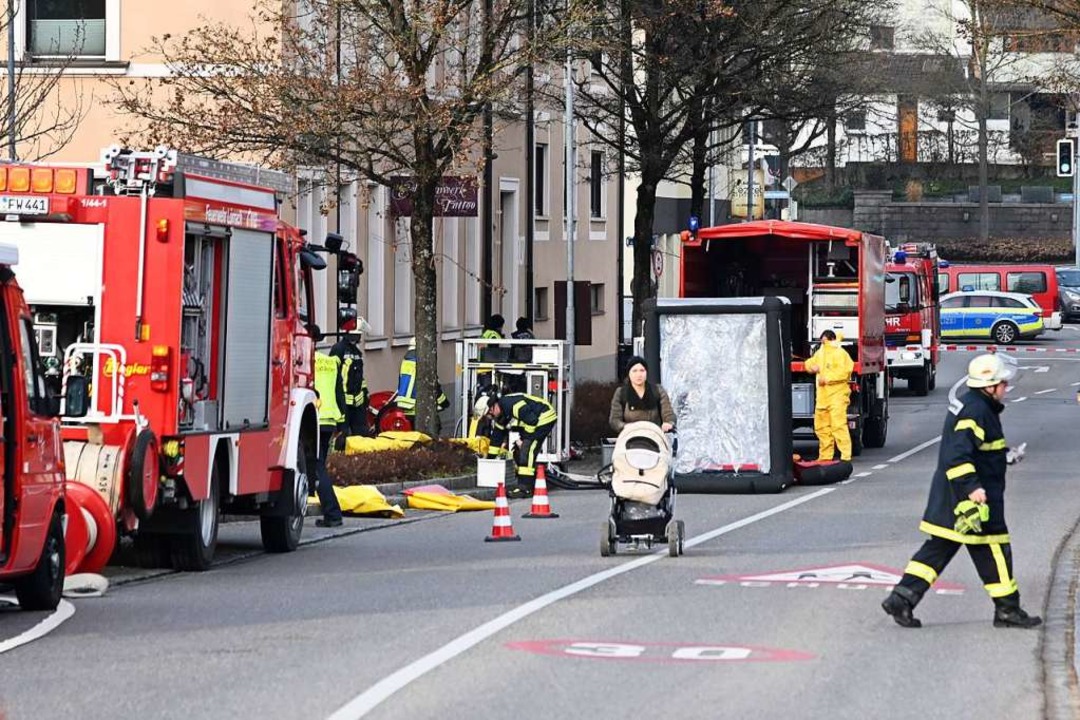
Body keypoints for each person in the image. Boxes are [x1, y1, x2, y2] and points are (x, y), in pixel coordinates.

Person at [881, 353, 1040, 629]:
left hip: (955, 498)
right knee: (995, 549)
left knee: (939, 549)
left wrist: (1005, 456)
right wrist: (973, 488)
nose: (1005, 388)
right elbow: (958, 455)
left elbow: (977, 450)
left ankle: (901, 598)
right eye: (1002, 383)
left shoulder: (976, 406)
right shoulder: (976, 410)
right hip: (970, 500)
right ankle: (1008, 610)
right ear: (989, 386)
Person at [475, 391, 556, 497]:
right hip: (532, 422)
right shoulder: (501, 411)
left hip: (544, 417)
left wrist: (524, 440)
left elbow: (532, 421)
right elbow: (497, 437)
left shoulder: (514, 406)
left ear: (492, 408)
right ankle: (531, 482)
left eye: (490, 415)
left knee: (528, 449)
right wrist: (490, 458)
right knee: (519, 451)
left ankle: (525, 488)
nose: (492, 418)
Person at [803, 329, 854, 462]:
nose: (822, 343)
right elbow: (809, 362)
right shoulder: (821, 353)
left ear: (829, 339)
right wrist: (811, 367)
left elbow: (845, 372)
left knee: (838, 425)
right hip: (823, 398)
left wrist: (827, 379)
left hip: (837, 395)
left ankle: (845, 456)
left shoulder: (840, 353)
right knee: (821, 428)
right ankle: (825, 456)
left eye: (824, 341)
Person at [313, 350, 346, 528]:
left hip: (313, 419)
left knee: (316, 468)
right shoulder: (331, 361)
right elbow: (339, 393)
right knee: (319, 466)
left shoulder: (304, 359)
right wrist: (342, 426)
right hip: (329, 421)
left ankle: (333, 514)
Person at [609, 356, 675, 434]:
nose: (639, 374)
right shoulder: (621, 393)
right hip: (629, 437)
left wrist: (668, 423)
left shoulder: (658, 390)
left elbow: (668, 414)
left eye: (642, 370)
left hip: (654, 437)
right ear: (629, 373)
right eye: (634, 371)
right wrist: (624, 426)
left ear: (646, 372)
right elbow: (614, 420)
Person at [329, 328, 369, 437]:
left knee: (361, 435)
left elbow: (359, 377)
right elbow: (333, 375)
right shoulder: (338, 349)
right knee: (343, 435)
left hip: (358, 403)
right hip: (343, 402)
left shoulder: (356, 351)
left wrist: (365, 393)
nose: (359, 338)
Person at [395, 338, 450, 416]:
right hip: (417, 406)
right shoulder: (422, 362)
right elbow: (433, 385)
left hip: (404, 406)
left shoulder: (405, 361)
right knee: (435, 425)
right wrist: (444, 402)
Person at [504, 316, 535, 393]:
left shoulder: (515, 335)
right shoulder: (531, 336)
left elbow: (512, 349)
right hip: (529, 362)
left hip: (516, 363)